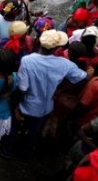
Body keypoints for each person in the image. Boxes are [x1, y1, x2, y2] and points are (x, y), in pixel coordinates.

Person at [7, 30, 87, 158]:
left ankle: (8, 152)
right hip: (45, 107)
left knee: (15, 127)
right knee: (34, 132)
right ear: (57, 48)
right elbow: (83, 77)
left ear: (38, 41)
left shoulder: (27, 60)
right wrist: (62, 89)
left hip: (26, 104)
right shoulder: (65, 64)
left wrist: (13, 105)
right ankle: (26, 154)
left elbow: (22, 88)